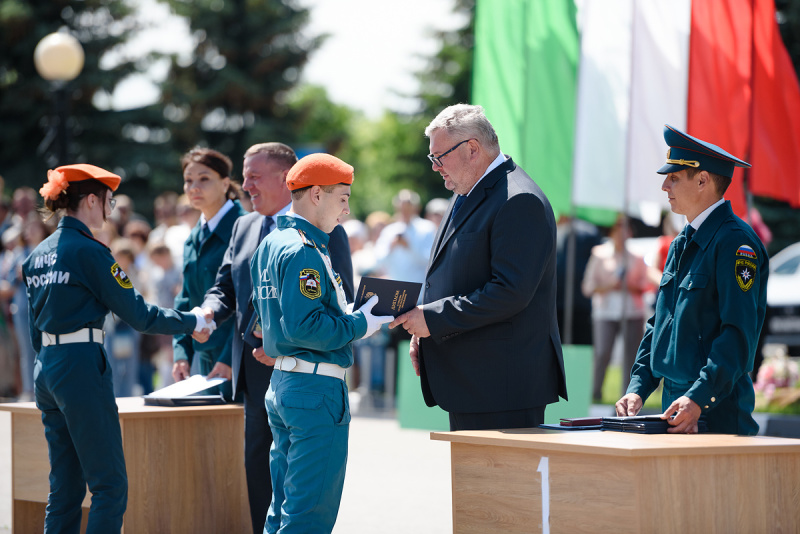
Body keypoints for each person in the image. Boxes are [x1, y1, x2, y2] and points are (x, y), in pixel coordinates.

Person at [23, 164, 214, 533]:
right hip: (79, 366)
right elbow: (139, 315)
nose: (109, 209)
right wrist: (192, 321)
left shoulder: (38, 254)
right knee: (109, 485)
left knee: (64, 487)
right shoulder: (91, 252)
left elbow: (34, 327)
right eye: (107, 201)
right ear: (91, 200)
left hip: (46, 367)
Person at [197, 143, 354, 534]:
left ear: (288, 181)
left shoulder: (327, 231)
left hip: (290, 372)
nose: (245, 185)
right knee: (279, 493)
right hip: (271, 376)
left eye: (255, 176)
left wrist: (278, 338)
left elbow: (339, 295)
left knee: (288, 499)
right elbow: (230, 290)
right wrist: (208, 312)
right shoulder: (249, 226)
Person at [390, 104, 567, 431]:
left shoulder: (518, 200)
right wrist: (428, 328)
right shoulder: (467, 190)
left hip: (503, 390)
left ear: (472, 148)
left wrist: (434, 319)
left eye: (439, 157)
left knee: (503, 484)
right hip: (477, 384)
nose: (435, 167)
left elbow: (510, 292)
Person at [251, 153, 392, 534]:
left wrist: (344, 312)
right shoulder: (303, 250)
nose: (346, 209)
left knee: (282, 510)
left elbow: (266, 316)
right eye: (342, 198)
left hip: (286, 383)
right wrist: (361, 323)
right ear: (316, 194)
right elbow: (305, 326)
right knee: (308, 516)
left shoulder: (273, 243)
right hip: (315, 387)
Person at [616, 125, 768, 435]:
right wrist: (638, 388)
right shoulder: (681, 242)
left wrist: (699, 399)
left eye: (673, 177)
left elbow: (737, 337)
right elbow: (659, 325)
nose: (665, 187)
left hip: (716, 414)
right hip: (678, 409)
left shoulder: (736, 244)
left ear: (702, 180)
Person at [171, 147, 247, 400]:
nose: (194, 187)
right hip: (205, 359)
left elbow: (249, 301)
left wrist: (229, 358)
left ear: (226, 183)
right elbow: (185, 299)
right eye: (189, 180)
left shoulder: (245, 228)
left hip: (240, 357)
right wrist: (182, 354)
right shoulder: (194, 237)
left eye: (204, 179)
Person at [582, 215, 650, 401]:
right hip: (605, 312)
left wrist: (628, 285)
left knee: (631, 357)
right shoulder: (599, 253)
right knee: (602, 352)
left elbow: (645, 285)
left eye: (625, 229)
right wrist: (609, 285)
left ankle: (628, 395)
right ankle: (595, 392)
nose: (622, 233)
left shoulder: (637, 255)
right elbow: (588, 287)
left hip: (631, 311)